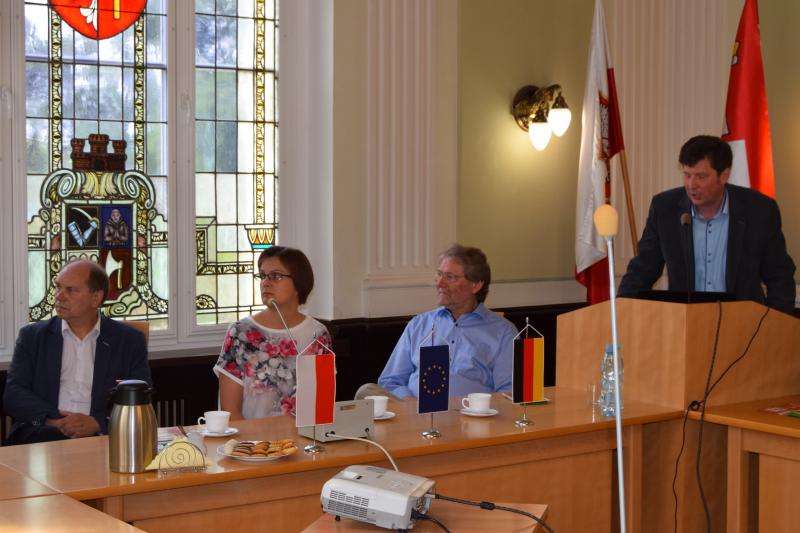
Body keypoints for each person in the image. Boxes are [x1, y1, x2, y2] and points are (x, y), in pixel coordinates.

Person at [618, 135, 795, 314]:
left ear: (724, 175)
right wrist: (619, 311)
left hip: (742, 323)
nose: (691, 185)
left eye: (701, 176)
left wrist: (775, 326)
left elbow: (779, 276)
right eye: (687, 175)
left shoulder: (759, 210)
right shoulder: (665, 208)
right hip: (685, 322)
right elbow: (642, 269)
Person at [3, 260, 151, 445]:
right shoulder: (33, 336)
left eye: (71, 290)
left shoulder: (128, 340)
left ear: (96, 298)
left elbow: (141, 396)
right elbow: (14, 394)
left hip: (102, 437)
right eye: (58, 287)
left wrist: (98, 422)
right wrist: (56, 421)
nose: (59, 296)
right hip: (43, 433)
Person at [377, 244, 517, 398]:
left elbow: (508, 391)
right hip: (414, 409)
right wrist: (410, 404)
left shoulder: (503, 332)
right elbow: (390, 381)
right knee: (366, 391)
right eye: (439, 274)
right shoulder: (418, 324)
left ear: (476, 285)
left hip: (471, 411)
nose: (439, 283)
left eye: (450, 277)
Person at [214, 246, 332, 420]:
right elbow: (230, 412)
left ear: (298, 284)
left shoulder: (318, 335)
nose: (265, 283)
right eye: (262, 276)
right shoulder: (241, 333)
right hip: (250, 436)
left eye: (275, 276)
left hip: (301, 436)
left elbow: (321, 406)